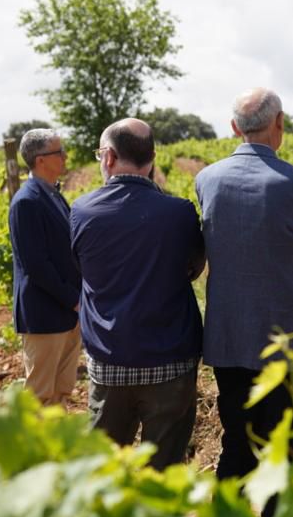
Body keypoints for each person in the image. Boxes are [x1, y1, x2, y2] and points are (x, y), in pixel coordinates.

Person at [195, 88, 293, 494]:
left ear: (234, 128)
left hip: (229, 341)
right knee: (287, 450)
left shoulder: (206, 180)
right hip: (289, 342)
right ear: (280, 123)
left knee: (237, 443)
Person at [70, 118, 205, 469]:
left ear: (110, 157)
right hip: (170, 360)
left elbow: (78, 271)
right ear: (153, 158)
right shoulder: (180, 213)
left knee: (104, 470)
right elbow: (194, 269)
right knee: (163, 471)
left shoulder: (82, 211)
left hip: (110, 360)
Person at [8, 128, 83, 406]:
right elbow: (35, 265)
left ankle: (54, 450)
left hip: (64, 312)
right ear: (40, 159)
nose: (65, 156)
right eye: (58, 152)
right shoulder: (26, 201)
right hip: (45, 314)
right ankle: (36, 451)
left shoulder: (52, 194)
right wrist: (73, 300)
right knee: (41, 396)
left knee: (61, 390)